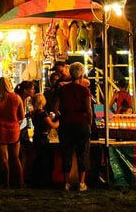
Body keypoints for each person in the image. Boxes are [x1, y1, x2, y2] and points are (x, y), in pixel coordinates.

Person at [57, 61, 92, 193]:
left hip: (66, 124)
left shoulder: (62, 90)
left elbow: (56, 107)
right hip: (81, 123)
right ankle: (81, 183)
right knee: (83, 152)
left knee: (66, 153)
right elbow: (89, 109)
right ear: (81, 75)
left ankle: (66, 183)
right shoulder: (84, 91)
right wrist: (90, 122)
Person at [0, 76, 25, 189]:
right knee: (15, 158)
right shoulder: (17, 98)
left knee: (4, 159)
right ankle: (20, 182)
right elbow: (22, 116)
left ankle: (6, 182)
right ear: (9, 85)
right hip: (14, 130)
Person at [31, 93, 58, 187]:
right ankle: (45, 180)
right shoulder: (43, 113)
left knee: (38, 158)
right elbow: (52, 125)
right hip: (43, 138)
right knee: (45, 159)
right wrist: (59, 120)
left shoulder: (34, 113)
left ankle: (37, 179)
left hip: (36, 136)